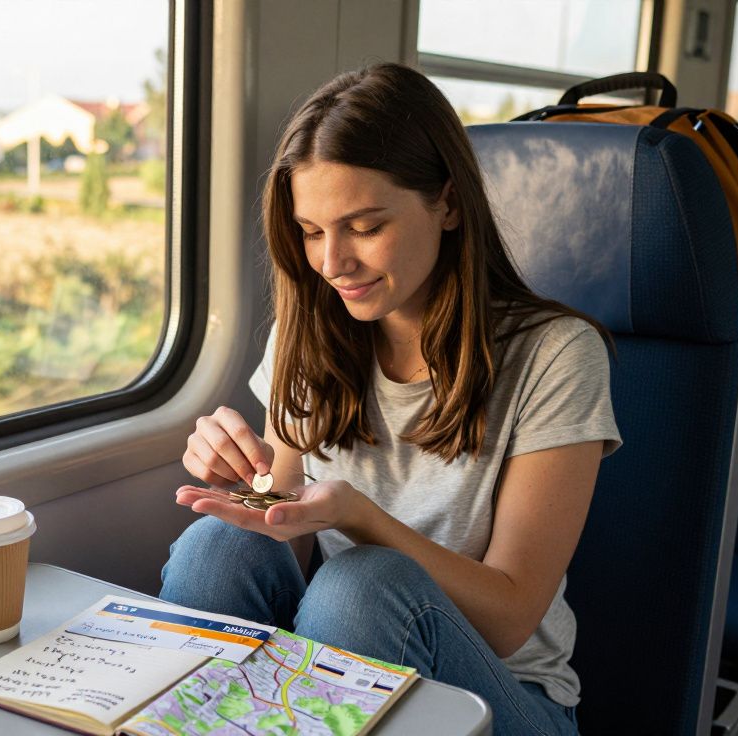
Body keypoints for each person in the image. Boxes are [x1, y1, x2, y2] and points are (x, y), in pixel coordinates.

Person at [159, 63, 621, 735]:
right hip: (349, 660)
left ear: (449, 204)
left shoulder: (557, 354)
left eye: (365, 227)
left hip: (507, 700)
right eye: (312, 232)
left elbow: (511, 618)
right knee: (215, 548)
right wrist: (246, 481)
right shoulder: (307, 332)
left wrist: (361, 518)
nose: (331, 262)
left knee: (360, 587)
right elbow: (280, 513)